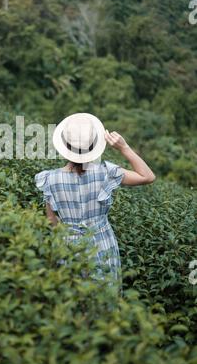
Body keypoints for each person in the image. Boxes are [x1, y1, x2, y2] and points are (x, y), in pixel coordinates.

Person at [35, 113, 156, 287]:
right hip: (103, 244)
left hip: (68, 249)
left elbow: (52, 224)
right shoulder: (106, 172)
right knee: (106, 302)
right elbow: (148, 176)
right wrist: (124, 147)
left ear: (65, 146)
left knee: (75, 306)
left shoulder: (48, 179)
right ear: (93, 146)